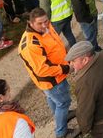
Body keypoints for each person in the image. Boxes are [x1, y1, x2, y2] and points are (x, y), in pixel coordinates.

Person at [19, 8, 77, 138]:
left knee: (54, 100)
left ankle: (64, 115)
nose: (45, 25)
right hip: (52, 80)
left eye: (46, 21)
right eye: (40, 23)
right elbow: (43, 69)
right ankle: (61, 132)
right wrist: (66, 68)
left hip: (56, 75)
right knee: (63, 102)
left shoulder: (45, 27)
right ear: (31, 23)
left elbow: (55, 44)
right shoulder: (31, 45)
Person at [65, 42, 103, 137]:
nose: (71, 65)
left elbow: (85, 111)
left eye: (73, 61)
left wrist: (85, 129)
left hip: (102, 125)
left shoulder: (85, 83)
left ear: (85, 60)